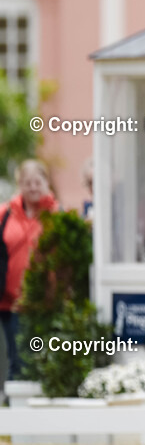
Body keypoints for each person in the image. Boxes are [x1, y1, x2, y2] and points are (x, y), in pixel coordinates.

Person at [1, 160, 59, 379]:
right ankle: (13, 409)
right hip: (10, 300)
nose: (33, 187)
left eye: (37, 182)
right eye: (27, 183)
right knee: (16, 359)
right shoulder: (6, 213)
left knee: (37, 360)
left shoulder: (55, 213)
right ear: (20, 185)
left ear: (46, 182)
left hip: (44, 301)